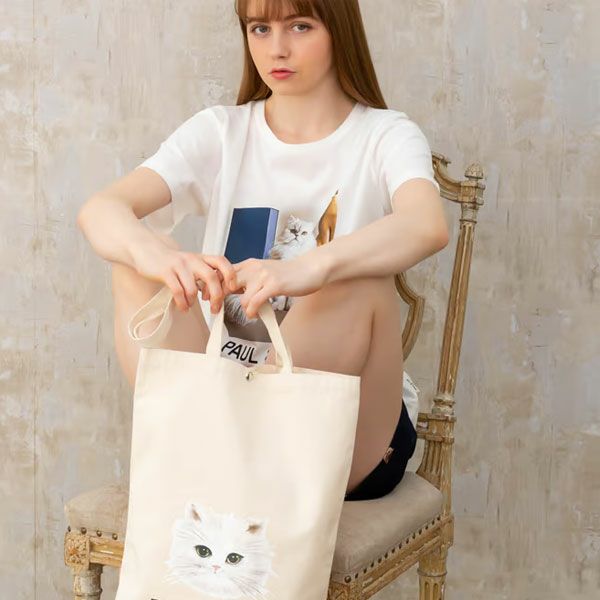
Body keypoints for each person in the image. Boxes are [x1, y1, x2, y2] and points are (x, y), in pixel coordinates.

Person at [76, 0, 449, 502]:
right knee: (134, 260)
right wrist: (158, 258)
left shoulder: (385, 135)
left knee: (357, 282)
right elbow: (101, 209)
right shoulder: (221, 131)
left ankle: (225, 469)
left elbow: (426, 225)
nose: (277, 48)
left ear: (339, 30)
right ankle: (223, 460)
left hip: (339, 428)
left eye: (300, 26)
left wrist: (309, 269)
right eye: (260, 28)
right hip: (223, 403)